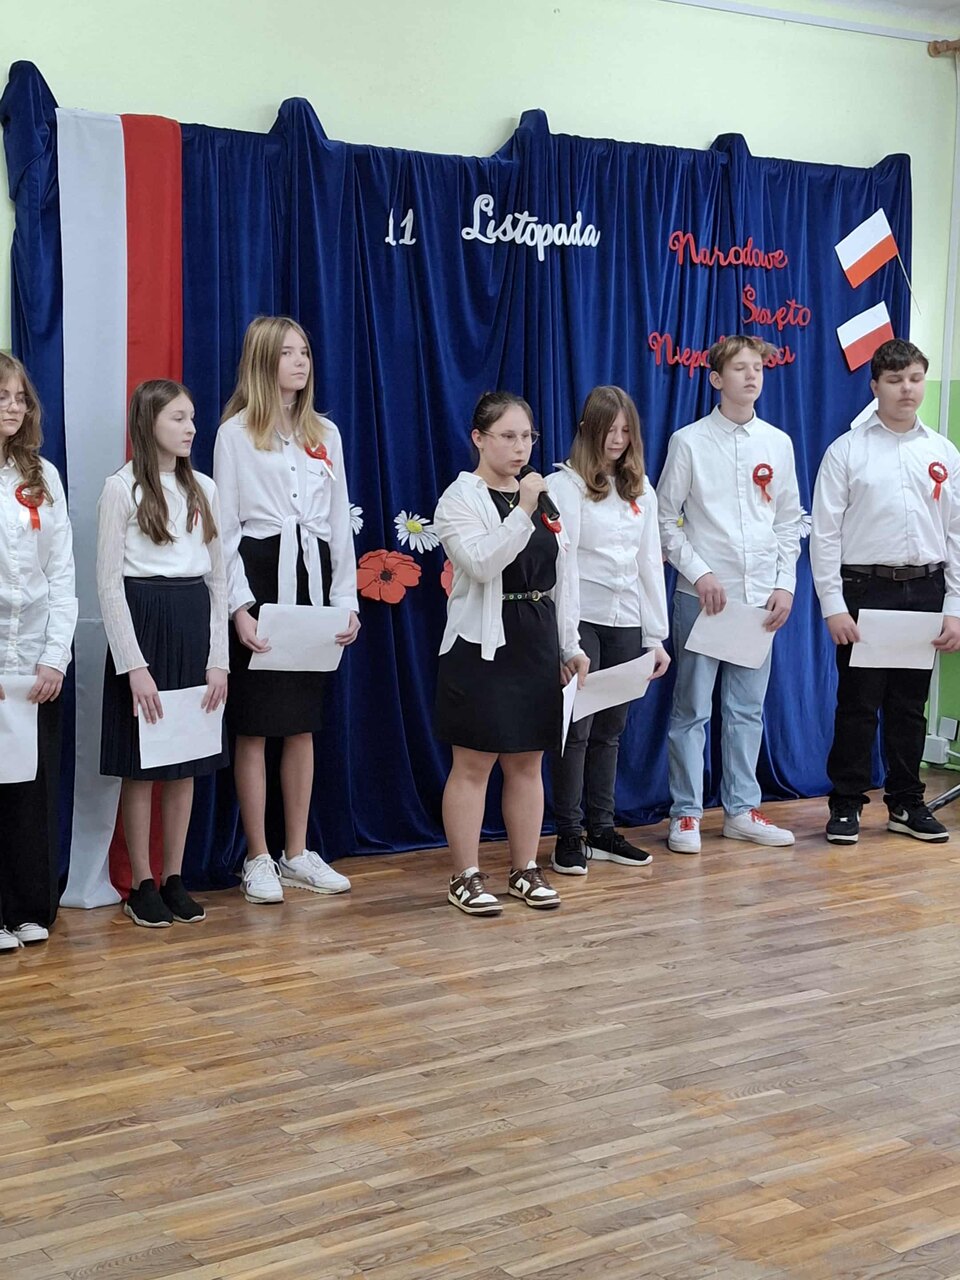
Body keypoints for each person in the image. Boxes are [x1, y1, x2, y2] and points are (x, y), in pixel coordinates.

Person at [214, 316, 360, 905]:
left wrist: (344, 601)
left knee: (302, 721)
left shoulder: (326, 433)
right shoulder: (234, 434)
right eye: (288, 353)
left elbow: (338, 523)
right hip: (260, 571)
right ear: (263, 361)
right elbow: (225, 529)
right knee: (254, 725)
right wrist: (239, 607)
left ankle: (295, 852)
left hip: (311, 577)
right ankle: (257, 855)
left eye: (305, 352)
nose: (301, 362)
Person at [432, 391, 589, 916]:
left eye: (527, 436)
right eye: (508, 436)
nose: (521, 447)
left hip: (535, 637)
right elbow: (481, 563)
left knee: (527, 761)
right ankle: (465, 875)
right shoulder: (459, 499)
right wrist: (522, 509)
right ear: (479, 439)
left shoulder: (546, 499)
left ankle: (524, 868)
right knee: (474, 762)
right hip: (481, 644)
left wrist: (570, 644)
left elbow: (564, 575)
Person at [811, 338, 960, 845]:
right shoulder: (847, 450)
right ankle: (846, 803)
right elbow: (825, 535)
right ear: (875, 386)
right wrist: (833, 605)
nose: (907, 389)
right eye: (895, 380)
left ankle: (906, 803)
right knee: (857, 704)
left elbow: (955, 533)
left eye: (915, 379)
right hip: (864, 589)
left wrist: (954, 606)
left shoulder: (942, 451)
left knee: (909, 706)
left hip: (926, 588)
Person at [657, 335, 802, 854]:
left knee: (747, 709)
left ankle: (741, 809)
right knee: (692, 708)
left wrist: (784, 584)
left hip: (758, 598)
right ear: (717, 379)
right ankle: (686, 813)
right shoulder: (689, 441)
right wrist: (699, 573)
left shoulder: (778, 443)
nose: (751, 375)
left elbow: (789, 521)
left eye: (757, 367)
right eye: (739, 368)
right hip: (703, 598)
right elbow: (665, 519)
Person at [98, 379, 228, 927]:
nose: (190, 428)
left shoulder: (204, 489)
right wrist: (134, 665)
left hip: (192, 622)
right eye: (178, 418)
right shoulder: (121, 488)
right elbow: (109, 583)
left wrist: (218, 659)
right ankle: (142, 883)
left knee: (184, 762)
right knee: (142, 764)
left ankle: (174, 877)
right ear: (148, 422)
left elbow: (219, 580)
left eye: (192, 418)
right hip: (144, 624)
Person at [547, 386, 670, 874]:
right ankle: (568, 833)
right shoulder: (566, 486)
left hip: (627, 622)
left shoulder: (642, 490)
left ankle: (601, 829)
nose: (617, 439)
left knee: (611, 731)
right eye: (609, 429)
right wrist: (568, 642)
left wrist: (655, 637)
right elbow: (564, 567)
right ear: (588, 430)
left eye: (625, 430)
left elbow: (649, 563)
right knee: (576, 731)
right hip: (582, 620)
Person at [0, 354, 77, 951]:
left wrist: (54, 657)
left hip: (34, 667)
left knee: (29, 791)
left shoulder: (43, 475)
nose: (14, 406)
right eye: (2, 395)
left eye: (20, 397)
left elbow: (61, 575)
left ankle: (28, 906)